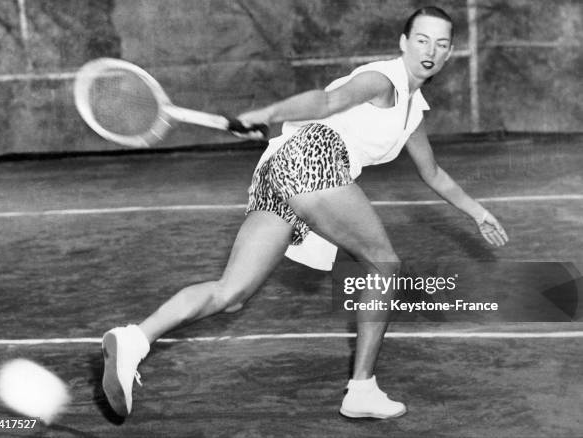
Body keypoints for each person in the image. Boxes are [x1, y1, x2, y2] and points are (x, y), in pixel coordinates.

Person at [100, 6, 509, 420]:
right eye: (422, 39)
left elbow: (434, 173)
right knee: (384, 264)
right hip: (313, 159)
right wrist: (269, 113)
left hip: (283, 172)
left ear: (449, 52)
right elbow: (327, 101)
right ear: (404, 43)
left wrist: (477, 212)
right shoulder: (383, 79)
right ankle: (361, 390)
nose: (430, 50)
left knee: (232, 294)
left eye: (440, 44)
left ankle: (133, 339)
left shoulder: (412, 109)